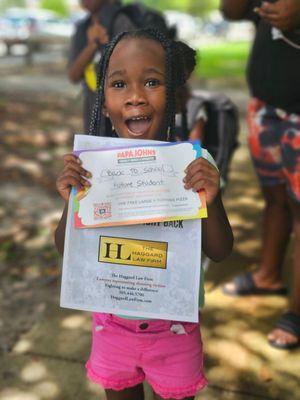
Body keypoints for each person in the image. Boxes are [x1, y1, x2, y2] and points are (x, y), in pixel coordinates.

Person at [55, 29, 233, 400]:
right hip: (110, 330)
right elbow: (67, 250)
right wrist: (70, 203)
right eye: (119, 84)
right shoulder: (91, 170)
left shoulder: (196, 166)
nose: (136, 96)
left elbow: (219, 250)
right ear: (103, 103)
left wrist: (210, 200)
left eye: (152, 81)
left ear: (176, 98)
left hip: (176, 333)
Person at [220, 0, 300, 349]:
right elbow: (230, 11)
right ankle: (268, 275)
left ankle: (297, 312)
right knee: (274, 197)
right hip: (265, 106)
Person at [68, 0, 135, 134]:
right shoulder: (82, 27)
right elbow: (73, 75)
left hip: (122, 114)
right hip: (93, 110)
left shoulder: (121, 21)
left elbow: (133, 68)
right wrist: (92, 46)